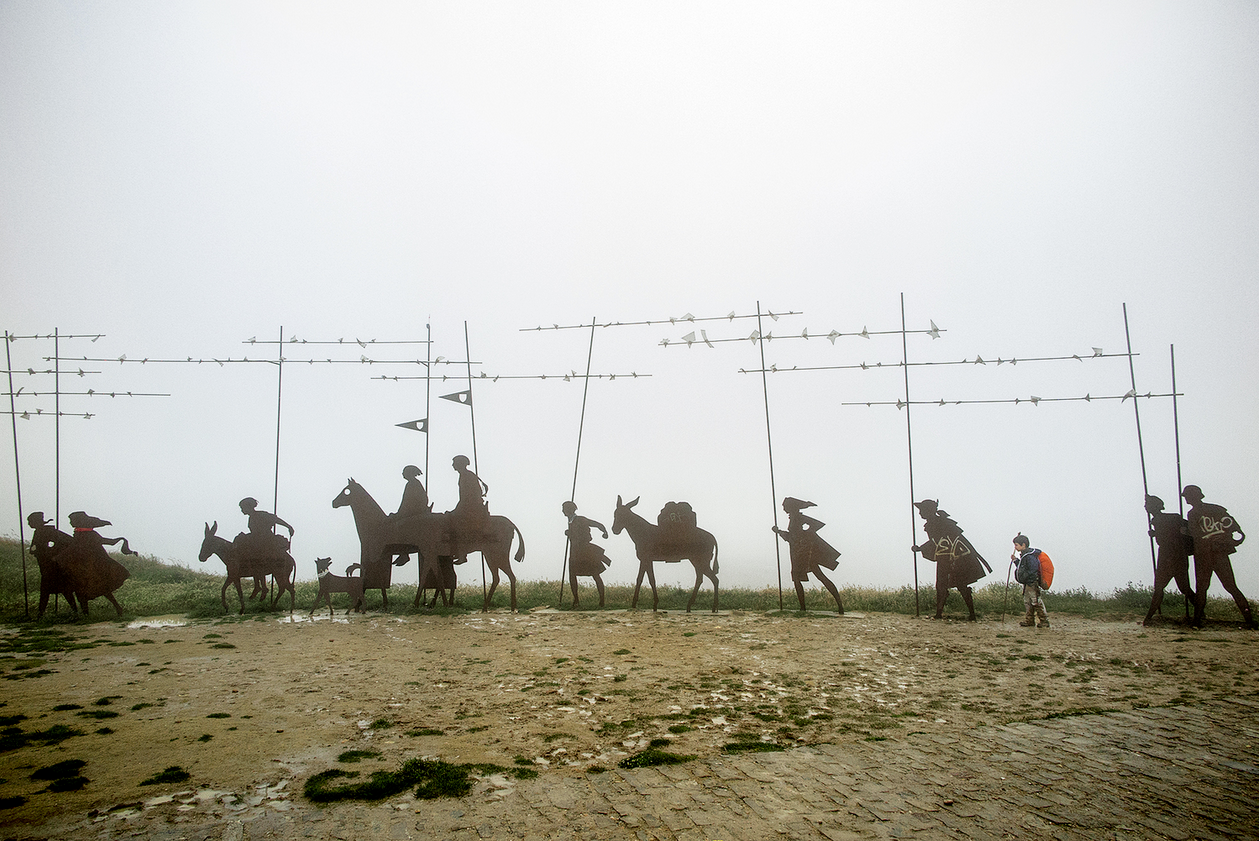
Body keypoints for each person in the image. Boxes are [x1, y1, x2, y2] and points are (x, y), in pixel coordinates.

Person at [1181, 485, 1256, 629]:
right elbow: (1237, 530)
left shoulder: (1193, 513)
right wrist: (1235, 540)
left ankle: (1196, 622)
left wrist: (1185, 531)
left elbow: (1196, 534)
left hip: (1203, 555)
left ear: (1193, 497)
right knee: (1231, 587)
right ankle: (1249, 621)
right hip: (1219, 554)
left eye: (1187, 496)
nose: (1186, 499)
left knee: (1202, 588)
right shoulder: (1217, 509)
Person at [912, 500, 990, 620]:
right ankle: (940, 613)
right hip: (945, 557)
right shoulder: (934, 523)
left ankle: (971, 614)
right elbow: (936, 542)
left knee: (960, 585)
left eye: (922, 510)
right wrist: (921, 548)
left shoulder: (938, 523)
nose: (920, 513)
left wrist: (921, 548)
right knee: (943, 585)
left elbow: (940, 541)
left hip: (955, 557)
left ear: (928, 511)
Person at [772, 497, 843, 613]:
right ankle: (803, 608)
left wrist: (804, 536)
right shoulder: (794, 518)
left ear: (790, 507)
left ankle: (838, 606)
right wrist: (779, 532)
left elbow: (816, 525)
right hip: (797, 552)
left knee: (818, 577)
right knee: (800, 578)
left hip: (803, 553)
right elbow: (792, 537)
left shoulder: (799, 518)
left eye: (784, 506)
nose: (783, 508)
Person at [1141, 494, 1195, 626]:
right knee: (1181, 588)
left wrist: (1157, 534)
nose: (1145, 507)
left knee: (1172, 587)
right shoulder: (1162, 520)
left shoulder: (1167, 519)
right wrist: (1156, 534)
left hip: (1171, 556)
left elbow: (1186, 529)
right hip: (1170, 555)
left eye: (1147, 505)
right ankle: (1148, 617)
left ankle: (1148, 618)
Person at [562, 501, 612, 608]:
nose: (562, 511)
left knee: (595, 574)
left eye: (564, 509)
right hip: (575, 552)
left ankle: (602, 601)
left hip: (585, 551)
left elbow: (597, 525)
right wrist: (569, 532)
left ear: (569, 509)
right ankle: (576, 601)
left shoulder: (581, 520)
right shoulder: (570, 521)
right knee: (572, 575)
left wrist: (605, 532)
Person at [28, 511, 73, 618]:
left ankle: (41, 614)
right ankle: (41, 613)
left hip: (53, 566)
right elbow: (34, 547)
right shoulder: (38, 532)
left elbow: (68, 541)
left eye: (30, 521)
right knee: (51, 590)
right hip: (45, 566)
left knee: (61, 589)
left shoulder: (48, 531)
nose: (29, 524)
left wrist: (52, 552)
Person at [450, 455, 490, 563]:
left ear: (460, 464)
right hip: (469, 507)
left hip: (472, 509)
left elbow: (467, 498)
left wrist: (455, 511)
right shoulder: (464, 475)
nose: (452, 465)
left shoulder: (467, 476)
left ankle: (462, 554)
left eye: (454, 463)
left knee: (457, 525)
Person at [1010, 534, 1049, 628]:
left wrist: (1027, 578)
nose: (1015, 547)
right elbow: (1023, 567)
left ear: (1023, 545)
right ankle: (1029, 621)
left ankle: (1044, 621)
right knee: (1028, 602)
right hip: (1028, 583)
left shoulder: (1029, 556)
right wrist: (1015, 560)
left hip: (1031, 583)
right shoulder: (1025, 555)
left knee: (1036, 601)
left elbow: (1032, 570)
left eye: (1016, 545)